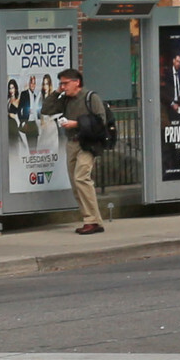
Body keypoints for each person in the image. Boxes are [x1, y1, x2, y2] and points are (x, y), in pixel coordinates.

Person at [42, 67, 109, 235]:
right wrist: (57, 92)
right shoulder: (65, 99)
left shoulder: (91, 97)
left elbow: (101, 121)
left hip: (88, 143)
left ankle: (92, 221)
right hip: (72, 143)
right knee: (75, 183)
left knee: (81, 177)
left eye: (65, 83)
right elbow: (46, 110)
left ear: (76, 82)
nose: (63, 87)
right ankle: (91, 219)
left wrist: (76, 123)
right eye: (61, 84)